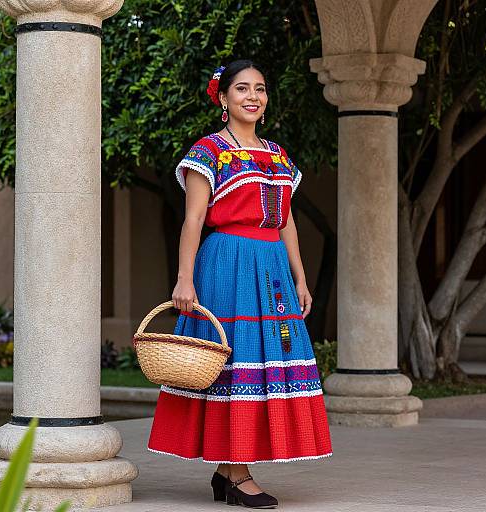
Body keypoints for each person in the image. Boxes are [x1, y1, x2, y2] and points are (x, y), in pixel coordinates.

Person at [148, 59, 333, 509]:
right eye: (243, 89)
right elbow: (192, 220)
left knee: (266, 357)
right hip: (227, 263)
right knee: (237, 358)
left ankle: (228, 471)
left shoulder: (278, 155)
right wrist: (184, 281)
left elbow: (286, 220)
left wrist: (301, 277)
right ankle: (238, 473)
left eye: (261, 89)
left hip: (271, 267)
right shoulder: (207, 152)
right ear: (224, 98)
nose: (253, 96)